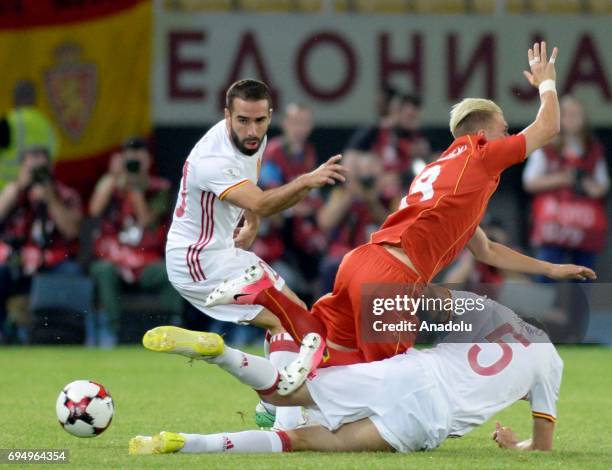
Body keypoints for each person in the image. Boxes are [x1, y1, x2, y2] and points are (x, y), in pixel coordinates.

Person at [203, 42, 595, 369]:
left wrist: (550, 268)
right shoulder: (479, 154)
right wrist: (547, 85)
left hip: (361, 263)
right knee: (392, 381)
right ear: (479, 133)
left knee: (326, 352)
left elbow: (487, 249)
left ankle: (262, 307)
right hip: (392, 279)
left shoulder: (450, 173)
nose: (508, 132)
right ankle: (264, 302)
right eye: (502, 126)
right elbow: (548, 128)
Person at [129, 289, 562, 455]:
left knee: (284, 393)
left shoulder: (491, 310)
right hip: (428, 419)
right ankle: (189, 446)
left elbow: (430, 298)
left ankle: (220, 352)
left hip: (409, 371)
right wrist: (514, 443)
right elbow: (541, 447)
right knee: (300, 440)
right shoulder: (550, 361)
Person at [159, 78, 346, 430]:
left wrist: (252, 221)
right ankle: (288, 423)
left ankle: (274, 406)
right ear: (227, 115)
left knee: (298, 317)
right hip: (197, 262)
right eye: (243, 120)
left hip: (222, 250)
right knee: (285, 320)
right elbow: (261, 199)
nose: (252, 129)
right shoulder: (214, 159)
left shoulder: (252, 140)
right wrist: (306, 181)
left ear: (269, 116)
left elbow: (255, 196)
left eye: (260, 121)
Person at [88, 137, 181, 347]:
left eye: (140, 154)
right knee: (103, 271)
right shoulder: (110, 184)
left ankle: (174, 332)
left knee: (171, 273)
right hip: (114, 259)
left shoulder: (160, 188)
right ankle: (111, 333)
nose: (134, 160)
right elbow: (94, 211)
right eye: (130, 154)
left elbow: (147, 221)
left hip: (145, 260)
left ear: (148, 160)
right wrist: (113, 177)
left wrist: (135, 188)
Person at [0, 146, 82, 342]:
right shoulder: (13, 193)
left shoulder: (64, 194)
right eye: (32, 168)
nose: (36, 173)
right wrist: (17, 189)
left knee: (71, 272)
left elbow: (71, 231)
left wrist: (50, 198)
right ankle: (5, 332)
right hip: (16, 262)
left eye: (41, 169)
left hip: (53, 264)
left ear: (51, 168)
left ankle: (62, 337)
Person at [523, 95, 609, 276]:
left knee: (584, 276)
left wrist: (588, 186)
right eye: (567, 114)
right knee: (547, 271)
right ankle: (544, 304)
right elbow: (530, 181)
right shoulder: (546, 146)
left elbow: (602, 185)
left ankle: (579, 305)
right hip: (553, 224)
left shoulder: (592, 149)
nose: (572, 119)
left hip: (584, 223)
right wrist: (564, 178)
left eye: (577, 114)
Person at [0, 81, 58, 190]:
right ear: (34, 100)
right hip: (38, 193)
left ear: (15, 99)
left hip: (6, 192)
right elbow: (53, 155)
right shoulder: (47, 124)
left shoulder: (8, 122)